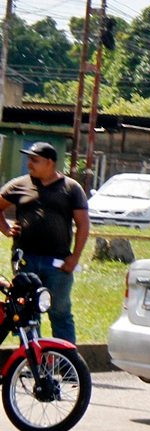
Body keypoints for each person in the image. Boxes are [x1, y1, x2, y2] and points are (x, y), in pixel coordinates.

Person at [0, 142, 90, 345]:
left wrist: (74, 258)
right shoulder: (19, 184)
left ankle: (67, 365)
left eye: (34, 160)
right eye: (28, 159)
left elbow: (83, 225)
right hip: (25, 261)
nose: (29, 164)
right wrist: (6, 229)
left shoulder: (71, 188)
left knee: (60, 312)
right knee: (28, 314)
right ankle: (35, 364)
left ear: (50, 163)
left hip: (57, 263)